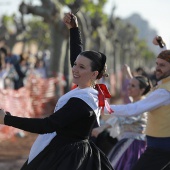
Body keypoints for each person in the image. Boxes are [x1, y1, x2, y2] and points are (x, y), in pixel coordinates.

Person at [0, 13, 114, 170]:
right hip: (67, 149)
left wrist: (7, 120)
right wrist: (74, 30)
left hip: (67, 156)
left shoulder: (82, 101)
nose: (74, 69)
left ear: (94, 74)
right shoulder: (89, 90)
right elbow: (77, 56)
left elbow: (47, 125)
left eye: (81, 67)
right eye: (75, 65)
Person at [107, 41, 170, 169]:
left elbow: (134, 109)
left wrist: (102, 107)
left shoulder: (164, 91)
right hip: (157, 145)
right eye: (157, 64)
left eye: (162, 65)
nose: (158, 67)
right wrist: (162, 47)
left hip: (160, 147)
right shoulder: (164, 85)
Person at [93, 71, 152, 169]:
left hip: (134, 145)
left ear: (142, 90)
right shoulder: (137, 104)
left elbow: (122, 118)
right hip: (128, 142)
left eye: (132, 86)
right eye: (129, 84)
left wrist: (102, 127)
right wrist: (128, 73)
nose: (128, 87)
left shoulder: (142, 106)